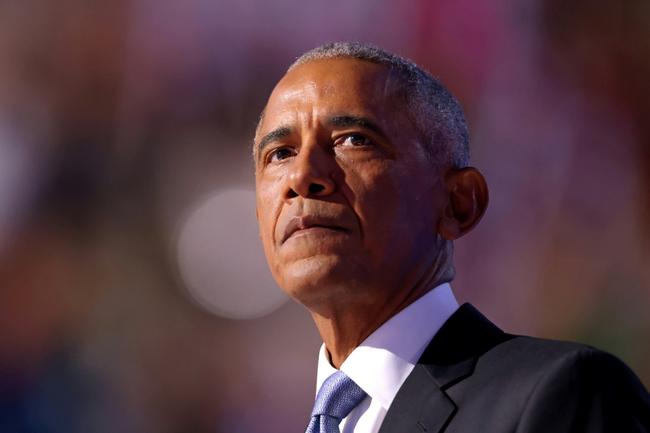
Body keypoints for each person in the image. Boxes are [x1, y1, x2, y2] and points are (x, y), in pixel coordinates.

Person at [253, 41, 650, 433]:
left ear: (459, 203)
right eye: (280, 154)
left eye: (354, 140)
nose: (302, 177)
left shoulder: (563, 393)